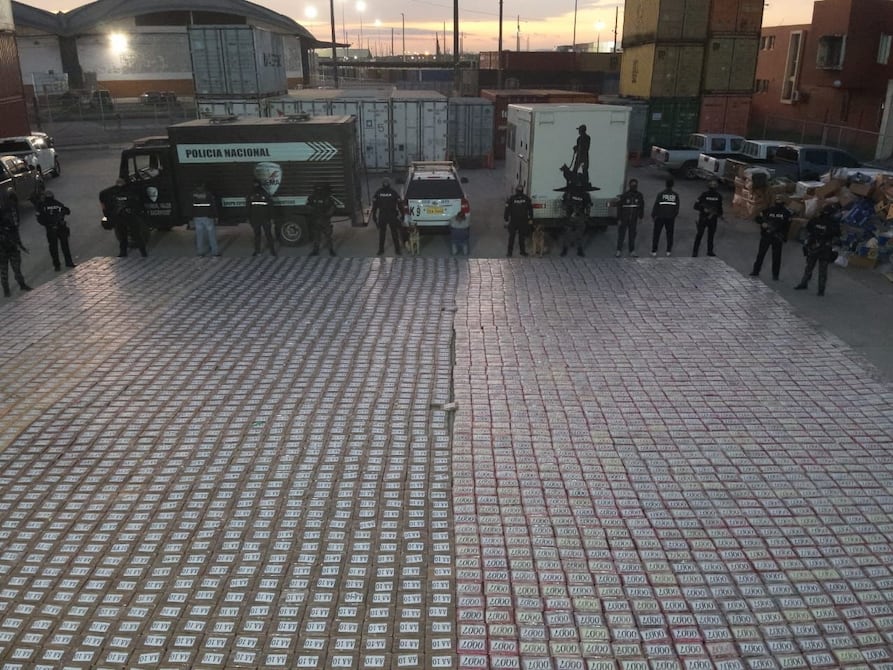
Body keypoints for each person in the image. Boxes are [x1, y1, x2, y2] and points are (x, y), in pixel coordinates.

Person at [795, 203, 841, 296]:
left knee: (809, 267)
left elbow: (808, 229)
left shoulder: (815, 220)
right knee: (822, 270)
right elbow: (837, 235)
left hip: (813, 246)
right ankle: (821, 290)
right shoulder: (833, 224)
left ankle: (804, 283)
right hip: (825, 248)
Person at [750, 194, 792, 281]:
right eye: (777, 199)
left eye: (780, 199)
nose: (778, 201)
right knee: (761, 254)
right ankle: (755, 271)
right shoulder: (769, 210)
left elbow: (787, 227)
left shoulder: (786, 213)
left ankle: (775, 275)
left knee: (776, 257)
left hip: (777, 237)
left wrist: (784, 237)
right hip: (766, 235)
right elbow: (757, 218)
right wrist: (763, 223)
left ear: (783, 201)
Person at [105, 178, 147, 258]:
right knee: (122, 236)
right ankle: (123, 252)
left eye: (121, 183)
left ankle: (143, 252)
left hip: (130, 217)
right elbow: (111, 205)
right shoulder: (114, 193)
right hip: (120, 217)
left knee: (136, 235)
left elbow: (136, 204)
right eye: (118, 183)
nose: (119, 184)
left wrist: (132, 211)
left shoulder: (130, 192)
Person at [36, 190, 76, 271]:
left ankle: (57, 266)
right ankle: (69, 262)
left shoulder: (42, 206)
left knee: (53, 248)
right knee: (65, 246)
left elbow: (39, 218)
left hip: (51, 229)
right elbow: (67, 211)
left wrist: (47, 224)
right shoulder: (57, 203)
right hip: (61, 227)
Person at [0, 201, 31, 297]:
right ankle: (7, 290)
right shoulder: (8, 224)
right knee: (5, 272)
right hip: (3, 252)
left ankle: (21, 285)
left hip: (11, 249)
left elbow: (16, 236)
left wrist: (21, 246)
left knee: (16, 270)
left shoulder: (10, 224)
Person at [371, 178, 403, 256]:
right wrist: (403, 214)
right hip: (391, 215)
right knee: (394, 233)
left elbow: (374, 206)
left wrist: (374, 216)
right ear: (390, 184)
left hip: (383, 215)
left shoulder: (378, 192)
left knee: (383, 233)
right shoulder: (393, 192)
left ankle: (381, 250)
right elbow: (399, 204)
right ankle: (397, 250)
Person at [560, 175, 591, 257]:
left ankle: (578, 250)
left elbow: (588, 205)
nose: (578, 184)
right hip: (571, 217)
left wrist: (587, 216)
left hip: (578, 216)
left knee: (578, 235)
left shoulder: (584, 194)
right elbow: (563, 205)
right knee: (568, 234)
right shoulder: (569, 193)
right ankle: (566, 249)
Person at [692, 179, 724, 257]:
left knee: (710, 236)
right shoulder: (704, 195)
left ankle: (709, 251)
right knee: (700, 235)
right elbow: (696, 206)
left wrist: (719, 214)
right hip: (704, 218)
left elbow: (719, 208)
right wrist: (703, 209)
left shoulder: (718, 196)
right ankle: (695, 252)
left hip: (712, 219)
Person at [615, 178, 645, 257]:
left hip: (633, 219)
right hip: (624, 219)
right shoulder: (624, 195)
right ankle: (618, 250)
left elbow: (641, 207)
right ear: (629, 185)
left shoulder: (639, 195)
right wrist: (619, 219)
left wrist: (641, 217)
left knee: (632, 236)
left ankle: (632, 251)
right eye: (632, 185)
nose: (634, 187)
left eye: (635, 185)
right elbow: (619, 208)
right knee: (621, 235)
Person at [651, 177, 680, 257]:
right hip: (670, 218)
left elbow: (656, 205)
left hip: (660, 217)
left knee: (656, 234)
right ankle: (668, 250)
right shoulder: (675, 195)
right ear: (673, 185)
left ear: (665, 184)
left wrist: (653, 215)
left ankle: (654, 250)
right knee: (670, 234)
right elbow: (677, 208)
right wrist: (673, 216)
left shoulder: (660, 194)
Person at [247, 179, 276, 256]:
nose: (255, 186)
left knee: (267, 235)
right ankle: (258, 251)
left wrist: (271, 218)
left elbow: (270, 207)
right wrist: (249, 218)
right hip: (258, 218)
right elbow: (248, 207)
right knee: (258, 235)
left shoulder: (263, 194)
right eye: (255, 184)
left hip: (263, 218)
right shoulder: (252, 194)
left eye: (256, 184)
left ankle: (271, 251)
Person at [307, 182, 336, 256]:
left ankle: (330, 250)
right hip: (319, 219)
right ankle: (318, 250)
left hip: (322, 219)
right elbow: (308, 206)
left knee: (326, 236)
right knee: (318, 236)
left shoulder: (325, 198)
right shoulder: (314, 197)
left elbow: (332, 208)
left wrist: (326, 215)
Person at [191, 182, 220, 257]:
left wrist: (192, 217)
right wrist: (216, 216)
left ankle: (200, 252)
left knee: (199, 235)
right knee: (211, 235)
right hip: (208, 217)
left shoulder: (193, 194)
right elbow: (213, 206)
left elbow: (190, 206)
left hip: (197, 217)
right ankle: (215, 252)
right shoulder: (208, 194)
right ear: (203, 186)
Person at [504, 185, 533, 257]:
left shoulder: (511, 198)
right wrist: (530, 219)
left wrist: (506, 219)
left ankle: (509, 253)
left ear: (516, 190)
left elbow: (507, 209)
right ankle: (522, 252)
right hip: (523, 221)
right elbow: (530, 210)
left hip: (514, 221)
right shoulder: (526, 198)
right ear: (522, 190)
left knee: (512, 237)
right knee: (521, 237)